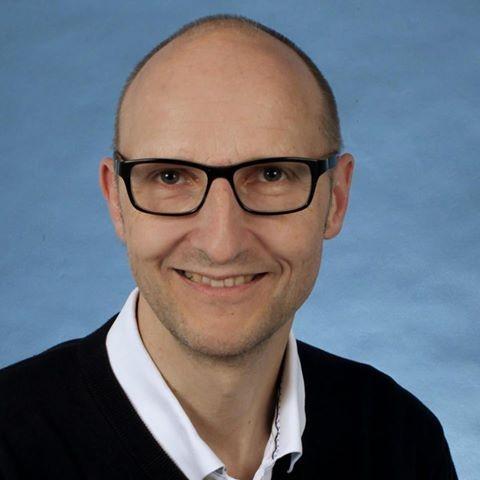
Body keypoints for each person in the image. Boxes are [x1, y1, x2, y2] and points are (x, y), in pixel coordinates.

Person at [0, 14, 457, 480]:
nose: (222, 245)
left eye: (272, 175)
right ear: (116, 201)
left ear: (336, 198)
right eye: (170, 177)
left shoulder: (400, 439)